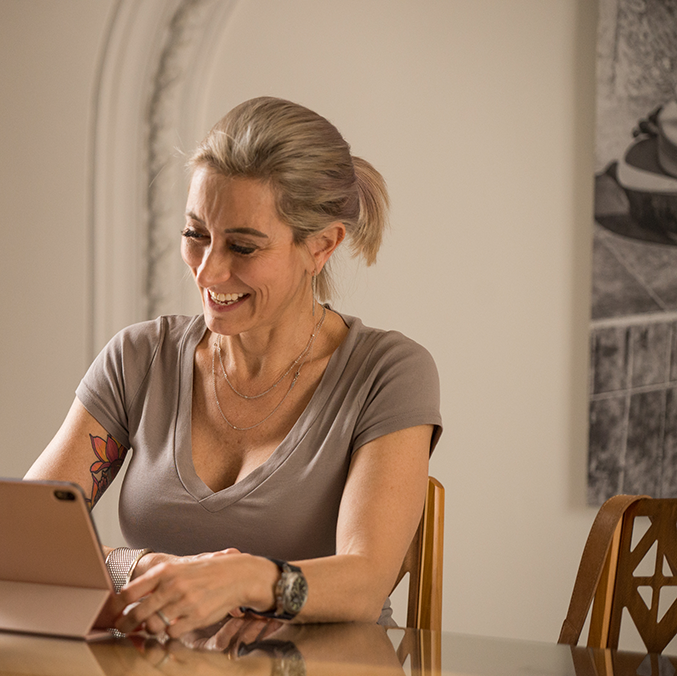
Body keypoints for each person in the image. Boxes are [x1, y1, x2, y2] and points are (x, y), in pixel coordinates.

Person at [26, 96, 441, 637]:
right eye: (196, 234)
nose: (207, 270)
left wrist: (248, 581)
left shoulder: (389, 373)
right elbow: (28, 533)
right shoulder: (139, 358)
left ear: (322, 246)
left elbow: (365, 584)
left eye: (243, 247)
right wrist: (143, 566)